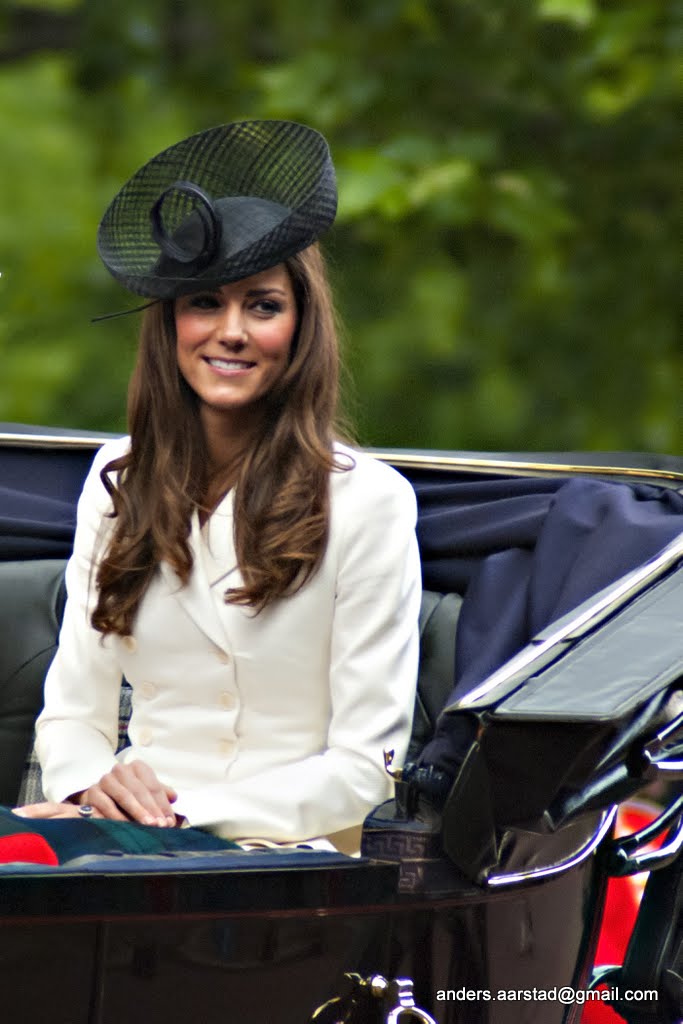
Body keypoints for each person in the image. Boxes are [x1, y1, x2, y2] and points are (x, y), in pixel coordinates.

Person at [15, 120, 421, 855]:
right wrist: (87, 787)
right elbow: (74, 713)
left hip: (279, 854)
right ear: (170, 323)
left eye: (262, 306)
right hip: (113, 839)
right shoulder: (118, 480)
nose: (229, 330)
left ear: (300, 329)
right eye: (204, 302)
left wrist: (179, 814)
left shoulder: (369, 501)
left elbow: (364, 769)